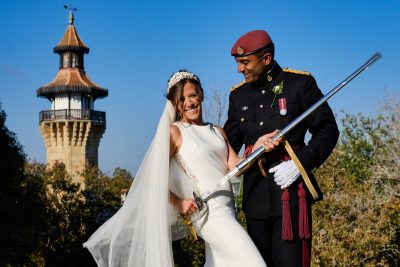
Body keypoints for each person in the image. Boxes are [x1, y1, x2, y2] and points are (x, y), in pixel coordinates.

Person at [84, 70, 281, 267]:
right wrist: (179, 202)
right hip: (209, 215)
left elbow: (237, 167)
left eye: (193, 95)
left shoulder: (217, 131)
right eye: (182, 99)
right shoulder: (175, 133)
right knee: (253, 262)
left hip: (228, 210)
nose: (189, 103)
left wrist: (257, 147)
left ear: (201, 95)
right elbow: (152, 179)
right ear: (175, 104)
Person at [224, 30, 339, 267]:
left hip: (290, 196)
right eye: (237, 63)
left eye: (244, 62)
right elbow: (224, 145)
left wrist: (300, 164)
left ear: (266, 59)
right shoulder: (238, 96)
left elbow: (328, 130)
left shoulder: (300, 84)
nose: (239, 69)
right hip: (255, 198)